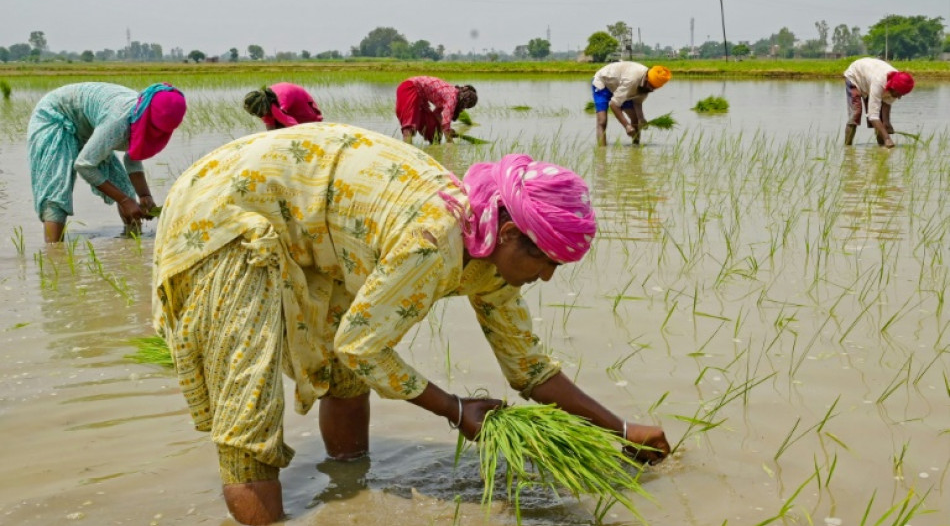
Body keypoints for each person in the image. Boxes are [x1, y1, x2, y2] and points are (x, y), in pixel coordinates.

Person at [152, 122, 670, 525]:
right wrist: (453, 408)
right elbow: (363, 344)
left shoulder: (493, 260)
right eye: (547, 262)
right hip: (226, 212)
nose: (550, 277)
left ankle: (348, 482)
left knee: (345, 374)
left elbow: (528, 367)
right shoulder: (435, 238)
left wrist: (622, 430)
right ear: (510, 233)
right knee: (250, 420)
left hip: (308, 226)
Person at [27, 82, 186, 242]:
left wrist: (144, 195)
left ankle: (133, 243)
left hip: (88, 126)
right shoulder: (119, 121)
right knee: (57, 193)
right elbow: (84, 165)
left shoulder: (143, 115)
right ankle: (54, 255)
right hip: (55, 116)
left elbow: (133, 156)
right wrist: (124, 201)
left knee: (124, 187)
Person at [592, 61, 671, 146]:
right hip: (604, 83)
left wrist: (641, 118)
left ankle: (636, 148)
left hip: (621, 87)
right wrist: (626, 126)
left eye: (654, 88)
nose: (651, 90)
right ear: (646, 78)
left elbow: (637, 102)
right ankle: (601, 152)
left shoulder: (646, 87)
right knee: (602, 121)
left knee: (635, 119)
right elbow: (613, 104)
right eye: (651, 86)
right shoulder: (632, 80)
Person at [843, 57, 915, 148]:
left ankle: (882, 146)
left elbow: (886, 104)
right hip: (855, 76)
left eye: (902, 95)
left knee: (880, 119)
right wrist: (887, 138)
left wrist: (887, 122)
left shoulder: (898, 82)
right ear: (892, 88)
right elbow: (873, 116)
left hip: (869, 79)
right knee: (856, 113)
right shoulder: (879, 82)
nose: (899, 97)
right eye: (899, 94)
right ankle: (847, 148)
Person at [395, 76, 477, 144]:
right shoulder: (453, 97)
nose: (462, 109)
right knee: (409, 127)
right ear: (463, 102)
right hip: (410, 88)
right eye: (464, 107)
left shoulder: (449, 95)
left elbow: (437, 114)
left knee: (434, 131)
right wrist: (450, 141)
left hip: (420, 97)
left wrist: (446, 130)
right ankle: (408, 152)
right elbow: (446, 123)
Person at [243, 83, 323, 130]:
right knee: (278, 128)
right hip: (287, 98)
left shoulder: (276, 106)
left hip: (300, 101)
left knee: (309, 127)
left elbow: (292, 124)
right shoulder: (264, 103)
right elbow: (269, 123)